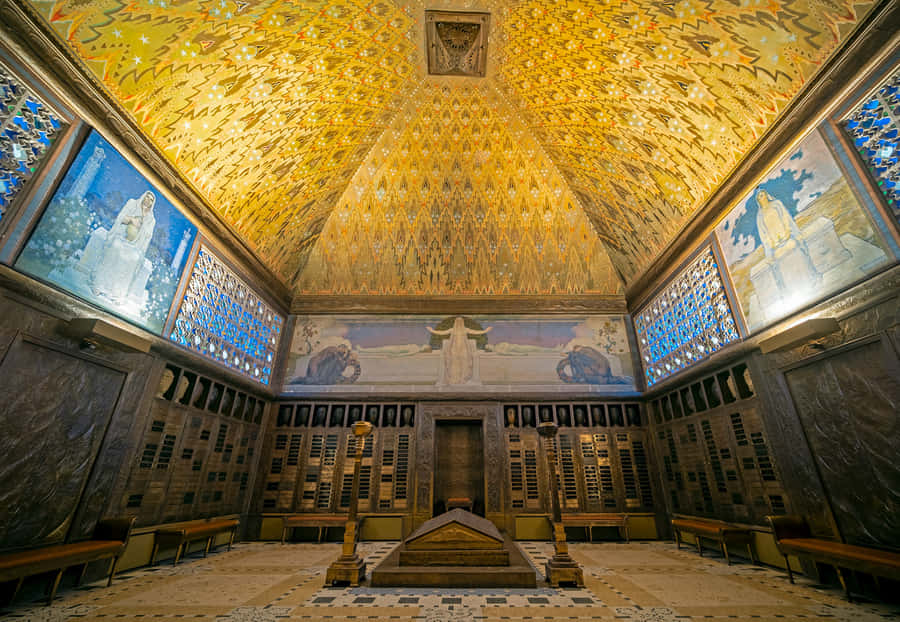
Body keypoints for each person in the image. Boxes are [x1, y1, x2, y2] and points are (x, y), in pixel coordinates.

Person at [90, 190, 156, 300]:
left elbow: (148, 236)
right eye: (147, 197)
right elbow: (121, 217)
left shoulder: (151, 219)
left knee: (133, 258)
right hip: (121, 238)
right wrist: (131, 220)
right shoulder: (132, 203)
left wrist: (141, 227)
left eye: (151, 200)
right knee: (115, 247)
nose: (148, 200)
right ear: (143, 196)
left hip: (134, 245)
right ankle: (100, 285)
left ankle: (116, 292)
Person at [426, 317, 491, 385]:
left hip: (464, 349)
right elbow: (442, 333)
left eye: (460, 321)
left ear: (462, 322)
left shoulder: (465, 329)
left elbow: (476, 332)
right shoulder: (452, 330)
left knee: (465, 364)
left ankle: (463, 379)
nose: (459, 323)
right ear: (455, 322)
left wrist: (485, 331)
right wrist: (432, 331)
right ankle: (454, 379)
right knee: (454, 365)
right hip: (453, 349)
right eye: (457, 321)